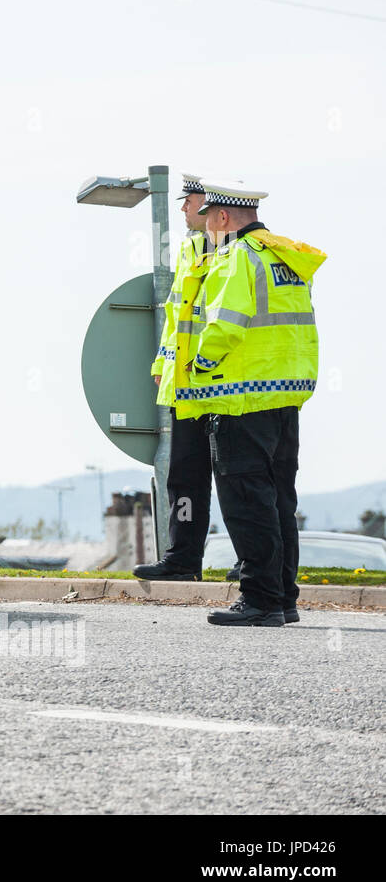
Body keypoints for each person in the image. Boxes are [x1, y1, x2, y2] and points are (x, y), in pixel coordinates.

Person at [176, 181, 325, 626]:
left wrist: (198, 365)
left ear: (222, 218)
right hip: (285, 394)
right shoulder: (285, 256)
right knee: (279, 500)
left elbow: (226, 325)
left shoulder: (237, 256)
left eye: (208, 218)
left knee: (246, 503)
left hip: (240, 397)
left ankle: (260, 600)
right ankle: (283, 599)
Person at [134, 173, 215, 582]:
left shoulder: (233, 250)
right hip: (185, 388)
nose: (182, 207)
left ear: (209, 202)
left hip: (224, 387)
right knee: (184, 478)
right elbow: (176, 316)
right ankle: (182, 560)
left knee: (242, 483)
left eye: (189, 199)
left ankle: (249, 565)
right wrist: (160, 366)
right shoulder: (190, 247)